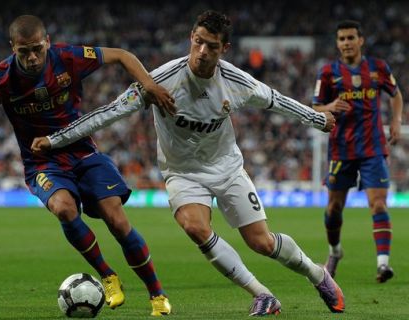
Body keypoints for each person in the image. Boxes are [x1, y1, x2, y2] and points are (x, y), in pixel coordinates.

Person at [32, 11, 345, 315]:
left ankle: (317, 274)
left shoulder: (237, 82)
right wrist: (56, 139)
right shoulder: (161, 80)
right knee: (195, 227)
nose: (202, 51)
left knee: (261, 243)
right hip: (182, 172)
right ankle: (263, 295)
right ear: (190, 39)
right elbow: (109, 112)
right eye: (198, 42)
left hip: (227, 168)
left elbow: (277, 101)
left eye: (211, 45)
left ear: (225, 49)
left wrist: (317, 119)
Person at [0, 15, 176, 316]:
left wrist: (148, 85)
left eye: (37, 49)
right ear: (12, 48)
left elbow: (122, 55)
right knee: (64, 208)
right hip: (42, 163)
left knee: (117, 220)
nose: (32, 57)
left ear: (47, 41)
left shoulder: (67, 57)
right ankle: (108, 275)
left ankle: (157, 294)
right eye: (24, 52)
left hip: (84, 152)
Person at [312, 20, 403, 283]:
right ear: (337, 43)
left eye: (351, 37)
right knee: (334, 209)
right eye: (341, 39)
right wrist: (329, 105)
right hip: (341, 150)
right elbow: (315, 107)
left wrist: (396, 120)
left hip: (373, 147)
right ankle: (335, 251)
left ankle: (383, 264)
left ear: (361, 40)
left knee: (378, 203)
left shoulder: (378, 67)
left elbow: (395, 94)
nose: (346, 43)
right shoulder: (328, 72)